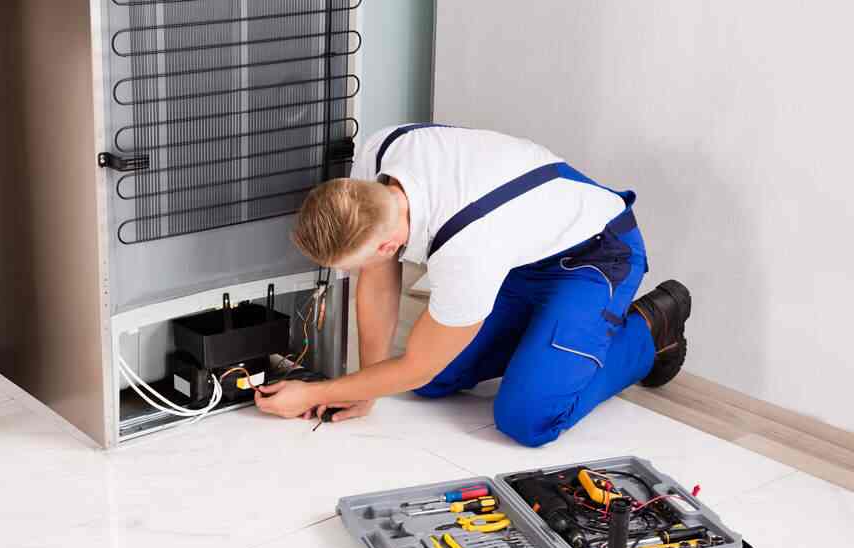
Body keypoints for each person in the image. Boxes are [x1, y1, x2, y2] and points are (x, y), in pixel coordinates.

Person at [254, 124, 691, 446]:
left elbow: (416, 365)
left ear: (388, 244)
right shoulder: (382, 156)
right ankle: (544, 338)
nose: (355, 273)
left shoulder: (467, 250)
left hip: (594, 254)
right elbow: (377, 274)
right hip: (520, 254)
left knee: (528, 418)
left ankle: (650, 331)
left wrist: (317, 393)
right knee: (420, 379)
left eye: (354, 265)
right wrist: (366, 387)